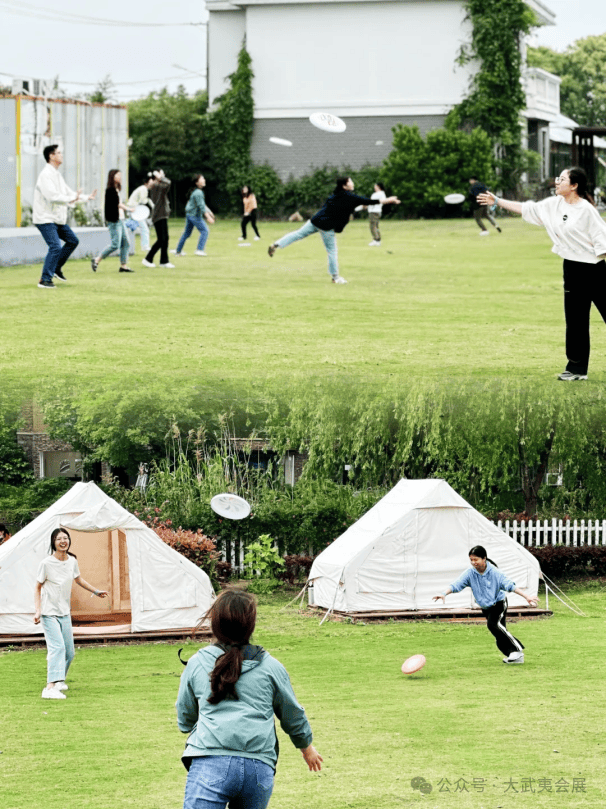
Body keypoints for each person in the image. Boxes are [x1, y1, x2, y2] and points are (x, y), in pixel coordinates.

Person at [176, 588, 322, 809]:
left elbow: (185, 716)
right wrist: (306, 747)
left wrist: (187, 725)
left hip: (210, 762)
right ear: (250, 626)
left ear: (215, 623)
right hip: (258, 767)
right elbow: (292, 713)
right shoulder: (271, 666)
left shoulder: (198, 663)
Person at [478, 167, 606, 381]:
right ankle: (576, 369)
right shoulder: (552, 205)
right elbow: (526, 208)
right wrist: (497, 201)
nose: (557, 182)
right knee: (575, 321)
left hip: (595, 270)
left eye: (562, 179)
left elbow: (603, 242)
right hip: (572, 269)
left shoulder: (586, 210)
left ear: (574, 186)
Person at [268, 176, 400, 284]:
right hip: (326, 226)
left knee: (297, 234)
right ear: (345, 185)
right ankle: (335, 277)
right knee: (332, 250)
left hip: (316, 220)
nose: (352, 183)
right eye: (350, 181)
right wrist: (390, 200)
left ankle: (276, 244)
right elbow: (372, 201)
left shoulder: (335, 195)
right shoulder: (351, 198)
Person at [34, 528, 108, 699]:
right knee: (57, 648)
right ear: (53, 542)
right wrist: (38, 610)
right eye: (59, 539)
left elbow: (78, 579)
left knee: (69, 652)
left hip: (64, 612)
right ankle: (49, 687)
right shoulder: (46, 564)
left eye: (65, 538)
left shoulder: (72, 561)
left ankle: (59, 680)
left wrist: (96, 591)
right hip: (48, 612)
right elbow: (37, 587)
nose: (63, 541)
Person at [432, 545, 538, 665]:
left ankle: (517, 650)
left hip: (498, 604)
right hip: (486, 607)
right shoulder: (470, 573)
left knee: (493, 625)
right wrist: (443, 594)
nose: (473, 562)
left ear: (484, 558)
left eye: (476, 559)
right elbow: (456, 584)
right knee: (498, 632)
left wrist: (527, 597)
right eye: (471, 560)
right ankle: (514, 657)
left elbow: (511, 586)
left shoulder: (495, 573)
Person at [33, 144, 97, 288]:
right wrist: (71, 199)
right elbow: (52, 196)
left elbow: (69, 194)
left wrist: (86, 197)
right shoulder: (45, 175)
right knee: (55, 246)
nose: (62, 155)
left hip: (56, 219)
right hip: (45, 218)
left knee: (72, 241)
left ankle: (55, 268)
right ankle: (45, 280)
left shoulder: (57, 175)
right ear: (51, 156)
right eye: (59, 153)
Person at [91, 169, 134, 273]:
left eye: (120, 175)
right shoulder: (110, 190)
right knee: (115, 244)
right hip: (115, 221)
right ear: (113, 177)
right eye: (118, 175)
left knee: (126, 243)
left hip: (121, 219)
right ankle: (96, 260)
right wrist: (128, 209)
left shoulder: (116, 189)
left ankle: (123, 266)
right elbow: (117, 204)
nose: (120, 177)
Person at [172, 174, 215, 257]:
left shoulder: (196, 192)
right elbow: (201, 206)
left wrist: (209, 212)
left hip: (189, 214)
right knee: (205, 231)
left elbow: (202, 204)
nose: (204, 180)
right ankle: (199, 250)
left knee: (186, 234)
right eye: (202, 179)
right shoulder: (198, 192)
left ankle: (178, 251)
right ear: (197, 182)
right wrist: (208, 217)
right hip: (194, 215)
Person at [143, 169, 174, 268]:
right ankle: (148, 258)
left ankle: (164, 261)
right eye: (161, 174)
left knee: (165, 238)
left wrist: (160, 177)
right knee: (161, 239)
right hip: (158, 215)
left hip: (162, 215)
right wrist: (161, 178)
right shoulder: (156, 186)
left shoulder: (158, 185)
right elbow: (168, 183)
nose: (164, 175)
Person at [127, 173, 156, 252]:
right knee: (144, 229)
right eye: (150, 181)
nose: (152, 183)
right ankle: (145, 246)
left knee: (133, 228)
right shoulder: (143, 189)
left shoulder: (142, 188)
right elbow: (143, 201)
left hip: (133, 209)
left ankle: (142, 245)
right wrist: (151, 204)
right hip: (134, 210)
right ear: (146, 182)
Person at [367, 182, 387, 246]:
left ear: (378, 186)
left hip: (374, 211)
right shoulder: (376, 194)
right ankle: (377, 239)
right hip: (374, 211)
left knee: (373, 226)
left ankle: (376, 240)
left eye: (375, 186)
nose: (374, 187)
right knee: (375, 226)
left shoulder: (380, 193)